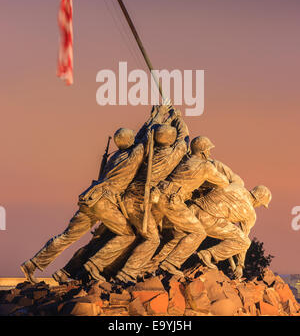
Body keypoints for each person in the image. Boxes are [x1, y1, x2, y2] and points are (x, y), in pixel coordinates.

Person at [21, 106, 167, 284]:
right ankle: (93, 265)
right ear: (130, 141)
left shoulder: (116, 156)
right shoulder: (132, 156)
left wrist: (154, 116)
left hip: (90, 198)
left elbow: (139, 137)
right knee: (128, 234)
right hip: (104, 202)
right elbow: (146, 138)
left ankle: (33, 264)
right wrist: (159, 115)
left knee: (67, 236)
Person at [113, 109, 189, 283]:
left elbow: (143, 136)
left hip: (126, 197)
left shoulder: (146, 151)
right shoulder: (172, 155)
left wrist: (158, 116)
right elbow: (184, 139)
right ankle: (127, 273)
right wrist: (177, 119)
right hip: (140, 201)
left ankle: (120, 269)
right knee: (152, 239)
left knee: (133, 234)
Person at [147, 136, 229, 277]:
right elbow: (224, 182)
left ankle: (149, 267)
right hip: (172, 200)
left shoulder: (184, 161)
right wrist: (206, 182)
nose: (209, 153)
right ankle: (170, 264)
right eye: (208, 150)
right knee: (198, 232)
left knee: (177, 235)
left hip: (158, 196)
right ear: (203, 152)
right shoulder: (205, 166)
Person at [191, 183, 272, 278]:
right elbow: (242, 239)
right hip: (206, 220)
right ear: (258, 200)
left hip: (193, 209)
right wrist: (240, 265)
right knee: (244, 242)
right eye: (261, 204)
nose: (258, 206)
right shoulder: (250, 213)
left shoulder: (236, 186)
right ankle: (208, 254)